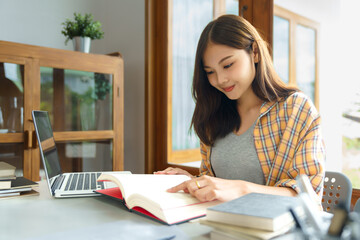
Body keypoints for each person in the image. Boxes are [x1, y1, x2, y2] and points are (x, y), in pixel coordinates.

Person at [155, 15, 325, 204]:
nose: (220, 80)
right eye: (210, 72)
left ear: (254, 52)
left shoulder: (296, 109)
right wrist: (192, 182)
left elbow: (308, 195)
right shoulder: (213, 114)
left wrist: (242, 189)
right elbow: (218, 187)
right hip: (220, 225)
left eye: (228, 65)